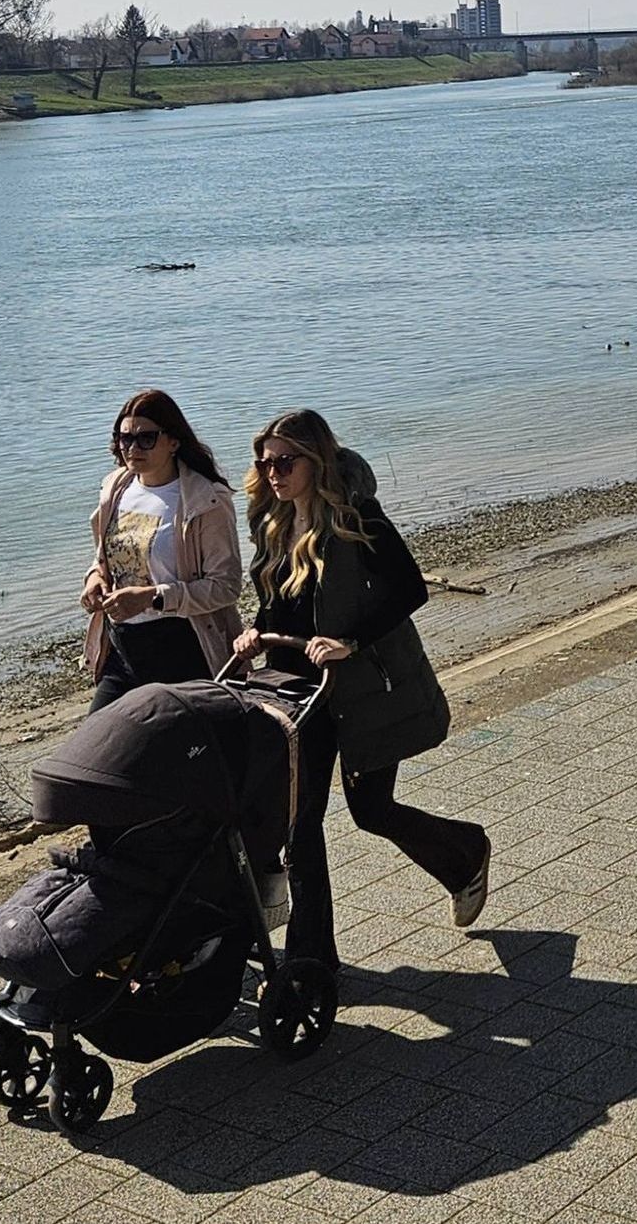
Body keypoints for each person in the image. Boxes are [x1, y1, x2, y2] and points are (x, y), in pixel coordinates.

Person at [233, 409, 491, 971]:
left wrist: (348, 641)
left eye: (285, 462)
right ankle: (313, 963)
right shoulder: (273, 520)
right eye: (265, 462)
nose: (273, 473)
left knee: (371, 810)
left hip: (358, 688)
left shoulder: (354, 515)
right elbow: (281, 603)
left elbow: (408, 588)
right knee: (300, 825)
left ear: (316, 459)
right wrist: (255, 631)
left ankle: (466, 852)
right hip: (296, 694)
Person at [81, 389, 243, 714]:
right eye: (124, 438)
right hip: (122, 647)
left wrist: (152, 597)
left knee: (183, 744)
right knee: (97, 738)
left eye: (146, 438)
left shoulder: (205, 499)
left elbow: (226, 586)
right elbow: (105, 559)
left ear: (173, 441)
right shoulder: (116, 488)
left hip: (183, 646)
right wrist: (95, 579)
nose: (132, 448)